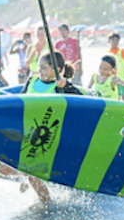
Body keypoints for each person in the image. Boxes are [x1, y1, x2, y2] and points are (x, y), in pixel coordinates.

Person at [9, 51, 82, 202]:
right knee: (3, 169)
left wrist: (66, 86)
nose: (39, 71)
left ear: (58, 70)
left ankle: (47, 207)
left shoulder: (61, 86)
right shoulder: (32, 81)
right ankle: (26, 177)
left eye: (44, 68)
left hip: (47, 139)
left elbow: (84, 103)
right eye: (39, 67)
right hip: (26, 134)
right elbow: (18, 103)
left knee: (32, 174)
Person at [107, 33, 124, 103]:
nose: (115, 42)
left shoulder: (122, 51)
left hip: (123, 78)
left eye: (117, 40)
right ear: (109, 41)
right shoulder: (107, 53)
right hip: (112, 79)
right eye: (113, 40)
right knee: (116, 98)